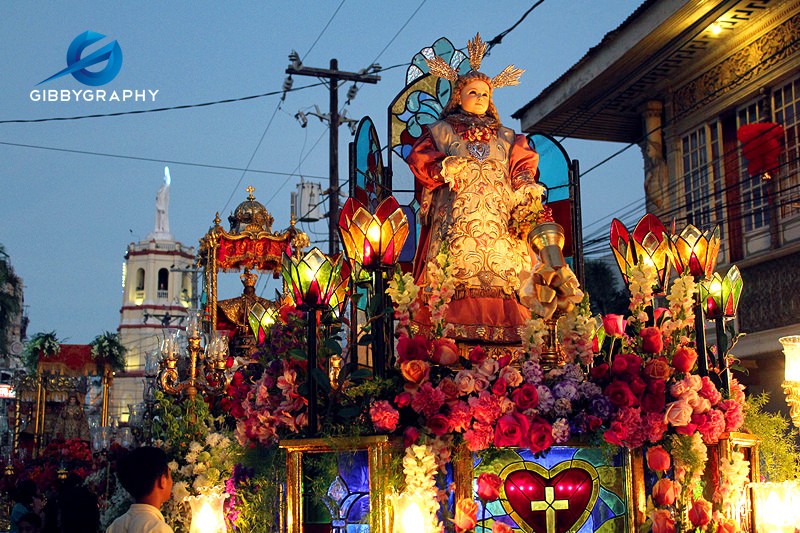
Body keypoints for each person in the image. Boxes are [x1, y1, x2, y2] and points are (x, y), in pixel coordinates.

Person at [406, 33, 547, 344]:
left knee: (507, 274)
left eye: (486, 92)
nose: (481, 97)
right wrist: (443, 166)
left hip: (501, 223)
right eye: (473, 91)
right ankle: (448, 335)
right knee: (452, 272)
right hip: (457, 221)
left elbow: (523, 166)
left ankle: (511, 334)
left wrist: (525, 185)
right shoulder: (441, 131)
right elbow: (419, 157)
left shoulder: (508, 136)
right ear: (459, 96)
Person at [106, 447, 174, 533]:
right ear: (162, 481)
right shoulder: (157, 528)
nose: (172, 482)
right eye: (170, 475)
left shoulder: (114, 526)